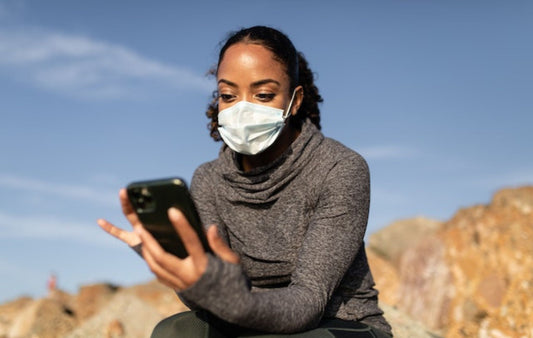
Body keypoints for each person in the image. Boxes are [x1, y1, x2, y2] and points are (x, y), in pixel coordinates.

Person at [98, 25, 392, 337]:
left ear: (294, 101)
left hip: (338, 324)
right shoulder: (209, 180)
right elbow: (214, 294)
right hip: (247, 321)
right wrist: (180, 267)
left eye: (263, 95)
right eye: (228, 95)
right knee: (174, 332)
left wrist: (234, 300)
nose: (242, 109)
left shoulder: (339, 168)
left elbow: (308, 303)